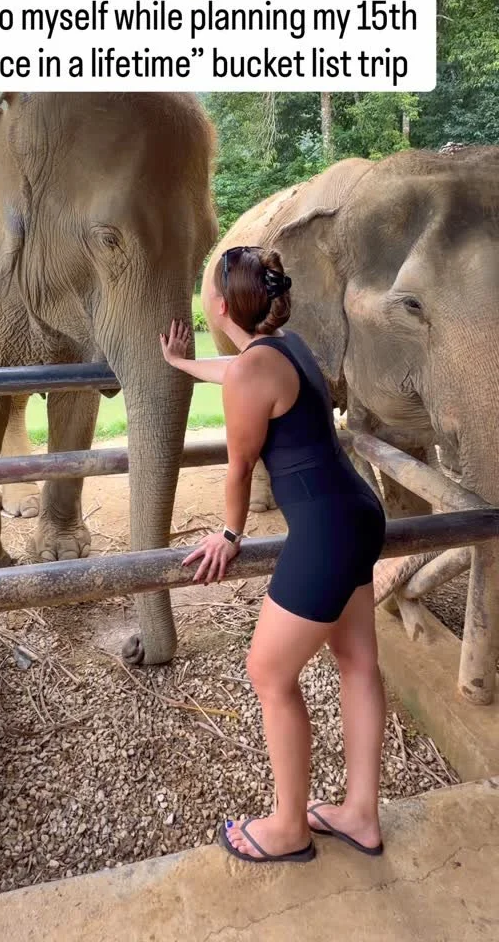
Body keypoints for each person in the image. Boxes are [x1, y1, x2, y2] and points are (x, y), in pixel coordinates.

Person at [160, 246, 387, 865]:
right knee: (357, 662)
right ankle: (361, 815)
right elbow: (238, 372)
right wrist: (183, 363)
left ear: (220, 306)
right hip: (357, 512)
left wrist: (229, 535)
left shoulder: (252, 370)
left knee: (268, 673)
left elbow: (238, 470)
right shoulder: (288, 346)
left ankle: (289, 827)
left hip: (326, 533)